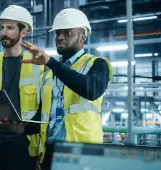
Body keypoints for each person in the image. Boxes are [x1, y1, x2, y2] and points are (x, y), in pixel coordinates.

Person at [20, 8, 113, 169]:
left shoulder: (97, 64)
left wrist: (51, 62)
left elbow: (92, 90)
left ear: (83, 35)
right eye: (57, 33)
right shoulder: (50, 74)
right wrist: (19, 125)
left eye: (67, 32)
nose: (60, 37)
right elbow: (44, 117)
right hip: (49, 152)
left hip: (82, 155)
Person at [0, 5, 53, 170]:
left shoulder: (39, 65)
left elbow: (45, 108)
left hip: (24, 144)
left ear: (23, 32)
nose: (4, 32)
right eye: (2, 27)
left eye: (10, 28)